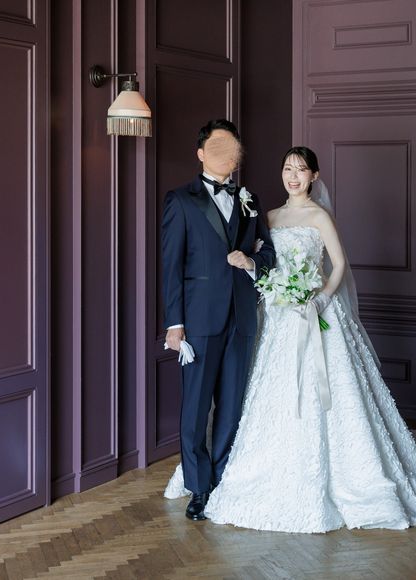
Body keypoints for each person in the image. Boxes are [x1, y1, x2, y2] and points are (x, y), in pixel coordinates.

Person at [165, 146, 416, 533]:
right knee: (268, 393)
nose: (293, 176)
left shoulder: (320, 216)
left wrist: (319, 299)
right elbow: (262, 262)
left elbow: (338, 265)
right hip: (278, 316)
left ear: (314, 176)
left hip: (317, 312)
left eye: (301, 170)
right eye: (287, 169)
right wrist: (259, 272)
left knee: (331, 394)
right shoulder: (267, 216)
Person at [161, 119, 276, 521]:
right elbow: (171, 267)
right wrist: (175, 324)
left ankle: (223, 479)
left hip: (242, 318)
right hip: (198, 320)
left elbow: (268, 255)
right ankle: (198, 488)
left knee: (231, 406)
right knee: (195, 409)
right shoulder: (181, 200)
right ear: (201, 153)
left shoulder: (250, 200)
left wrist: (250, 261)